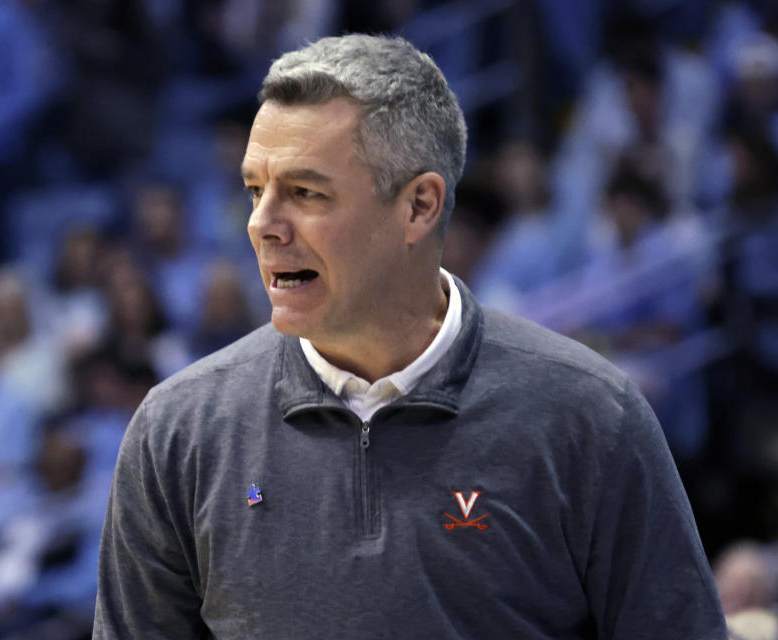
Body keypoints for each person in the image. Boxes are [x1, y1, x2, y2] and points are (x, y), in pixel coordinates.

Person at [94, 34, 726, 638]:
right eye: (255, 191)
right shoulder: (176, 432)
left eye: (305, 192)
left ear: (420, 206)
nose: (262, 225)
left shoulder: (591, 418)